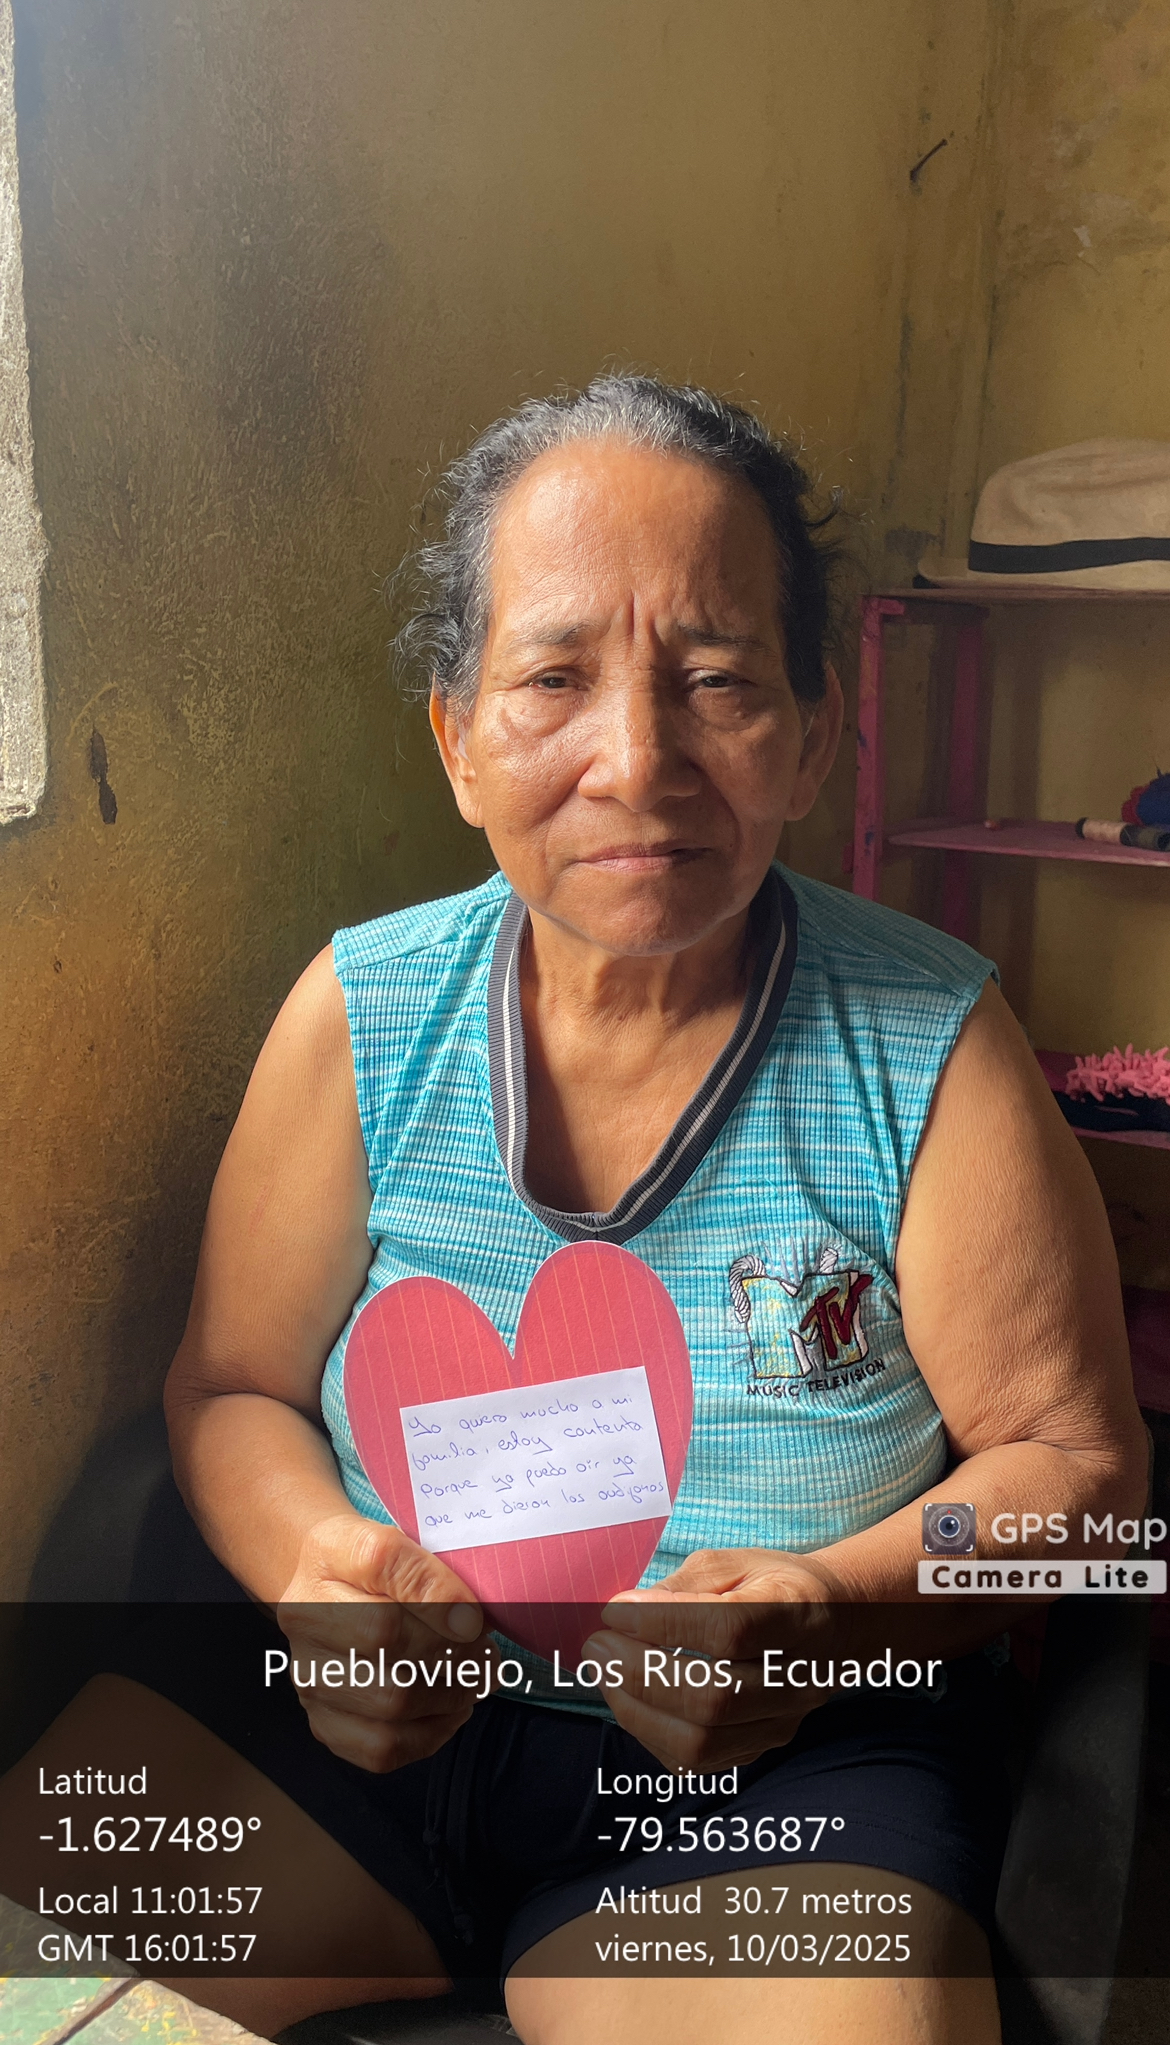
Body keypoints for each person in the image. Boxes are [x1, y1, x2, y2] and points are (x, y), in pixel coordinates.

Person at [0, 377, 1148, 2044]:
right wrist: (322, 1568)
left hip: (782, 1773)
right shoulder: (363, 1016)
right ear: (457, 742)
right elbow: (232, 1383)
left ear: (812, 732)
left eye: (717, 679)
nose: (635, 760)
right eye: (551, 679)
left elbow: (1087, 1489)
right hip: (350, 1737)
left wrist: (829, 1610)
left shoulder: (931, 1048)